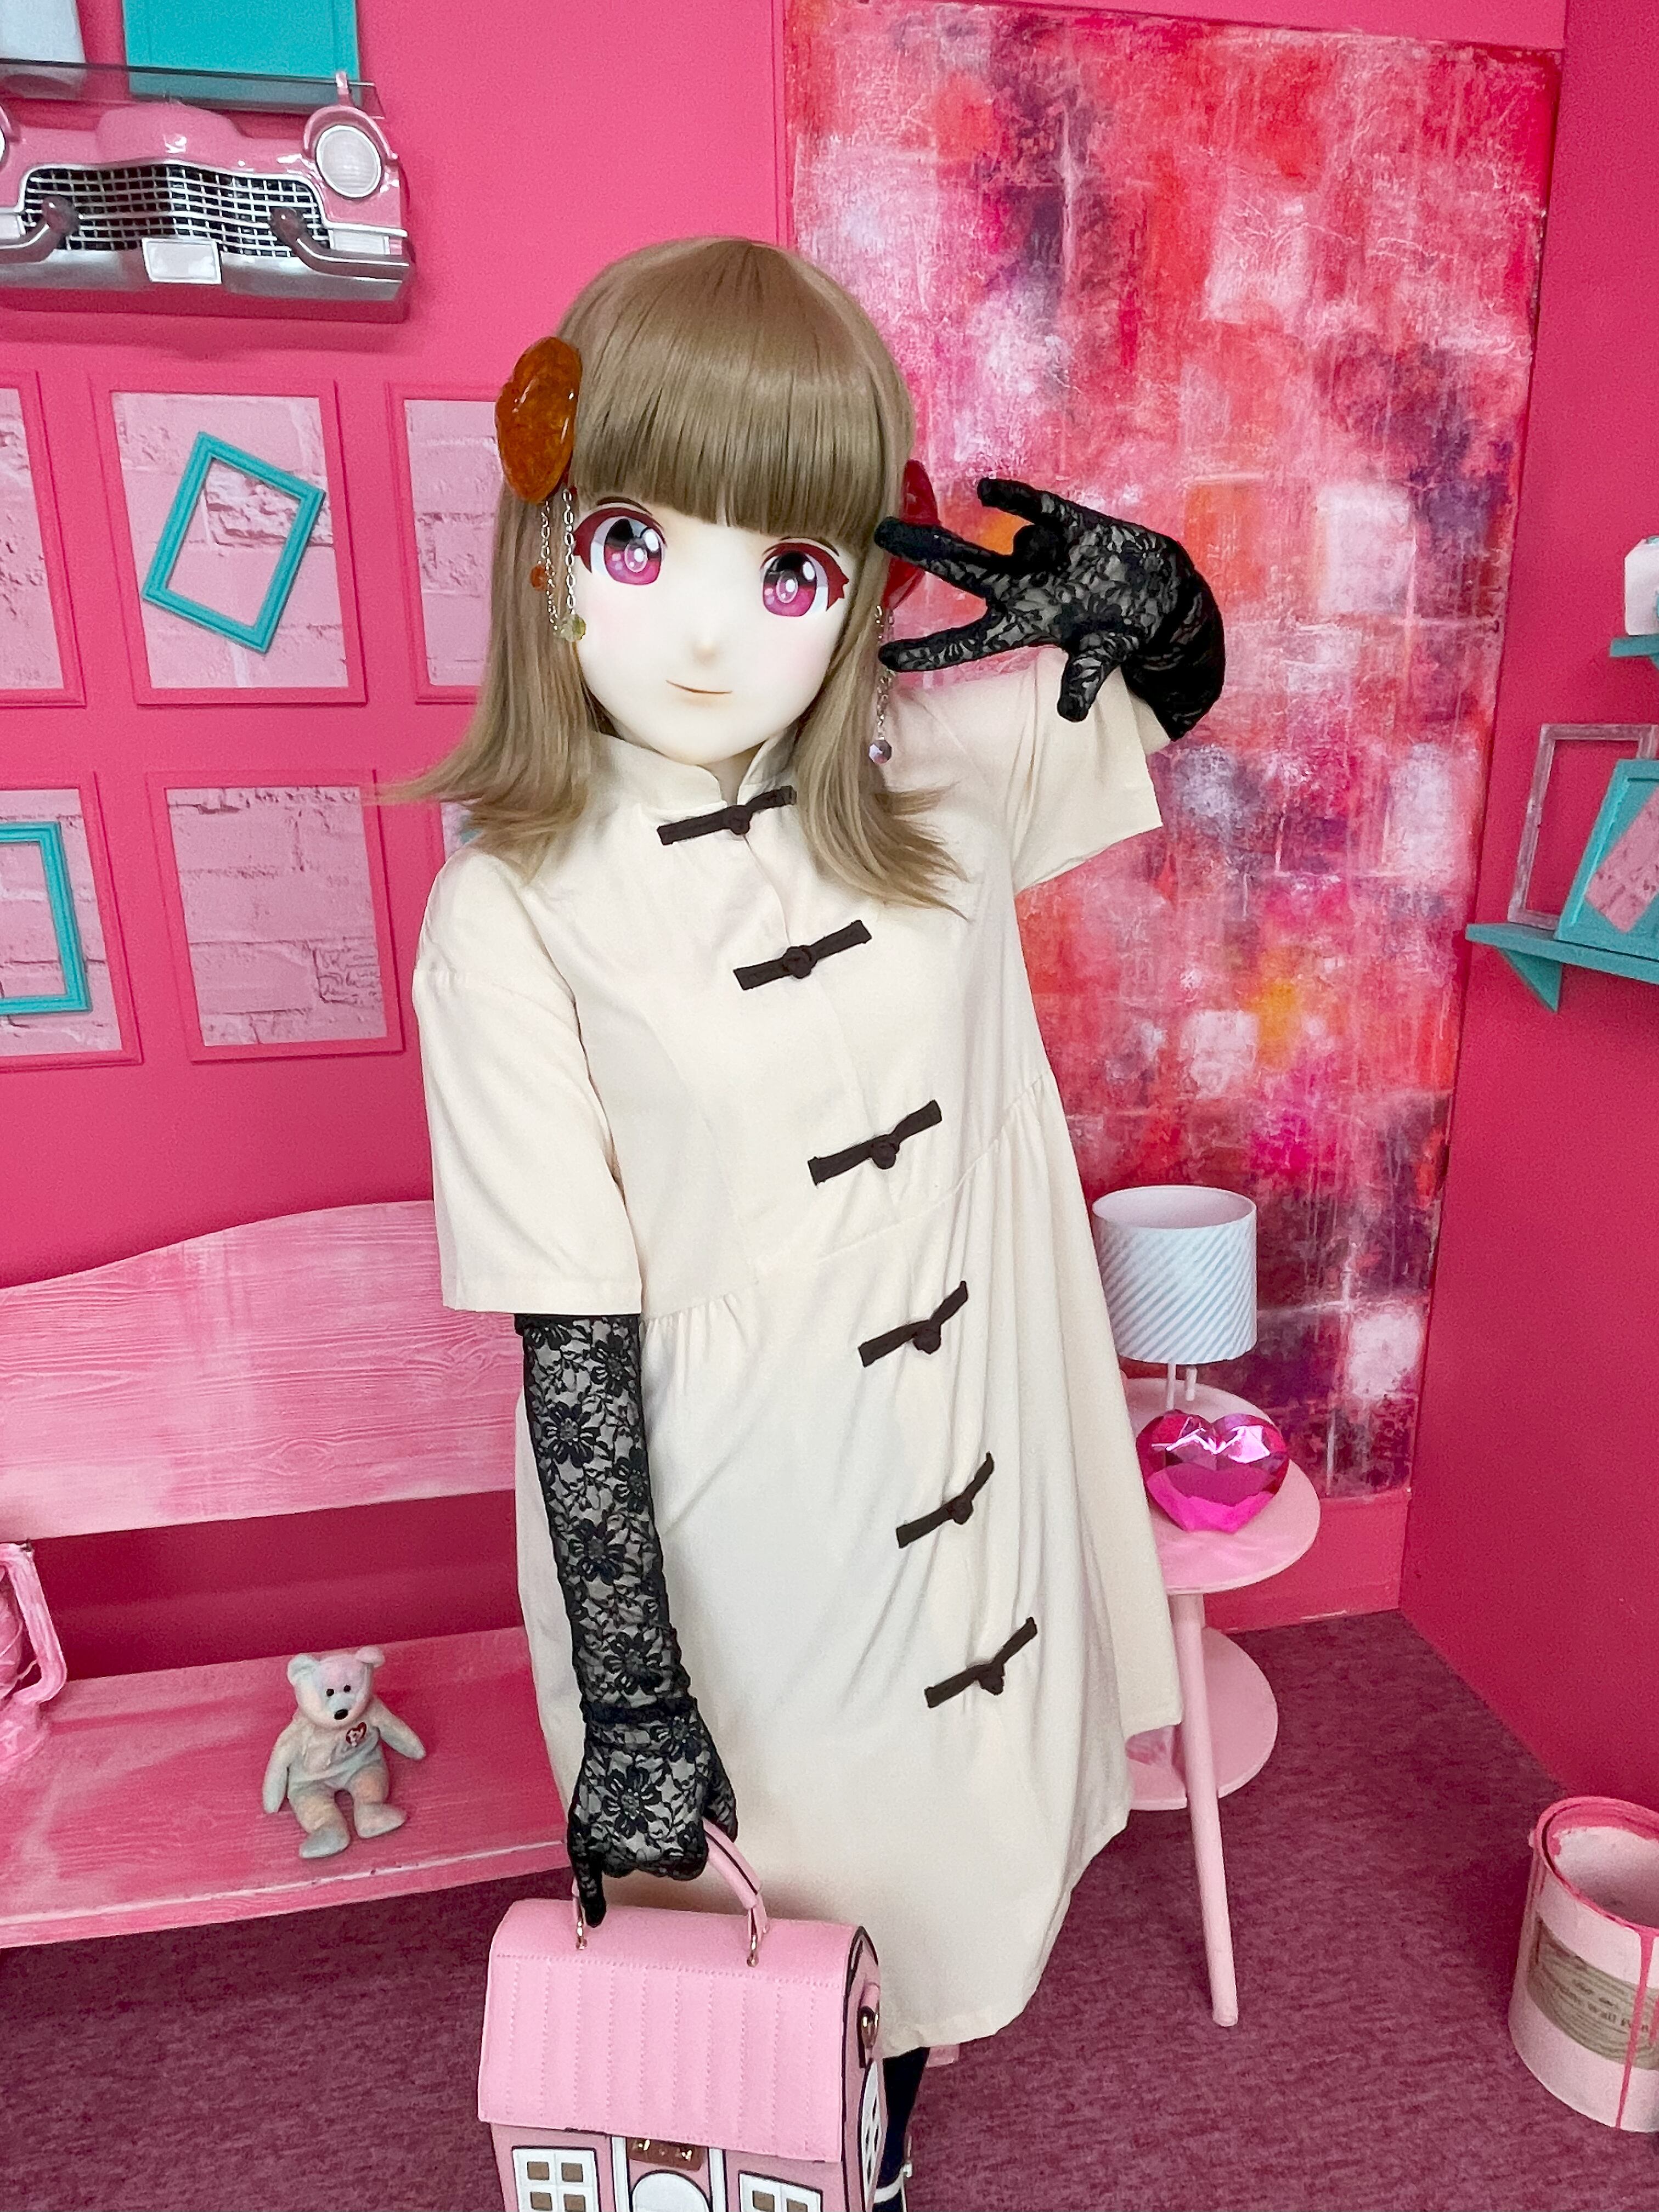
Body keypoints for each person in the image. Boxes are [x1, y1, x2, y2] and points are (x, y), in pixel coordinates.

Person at [410, 235, 1223, 2203]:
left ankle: (884, 2133)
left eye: (788, 571)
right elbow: (567, 1332)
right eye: (638, 542)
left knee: (926, 1919)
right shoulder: (509, 908)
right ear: (548, 541)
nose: (710, 632)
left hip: (972, 1459)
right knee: (769, 1936)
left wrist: (1158, 600)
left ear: (859, 582)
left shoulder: (925, 775)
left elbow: (1167, 700)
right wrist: (632, 1700)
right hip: (739, 1537)